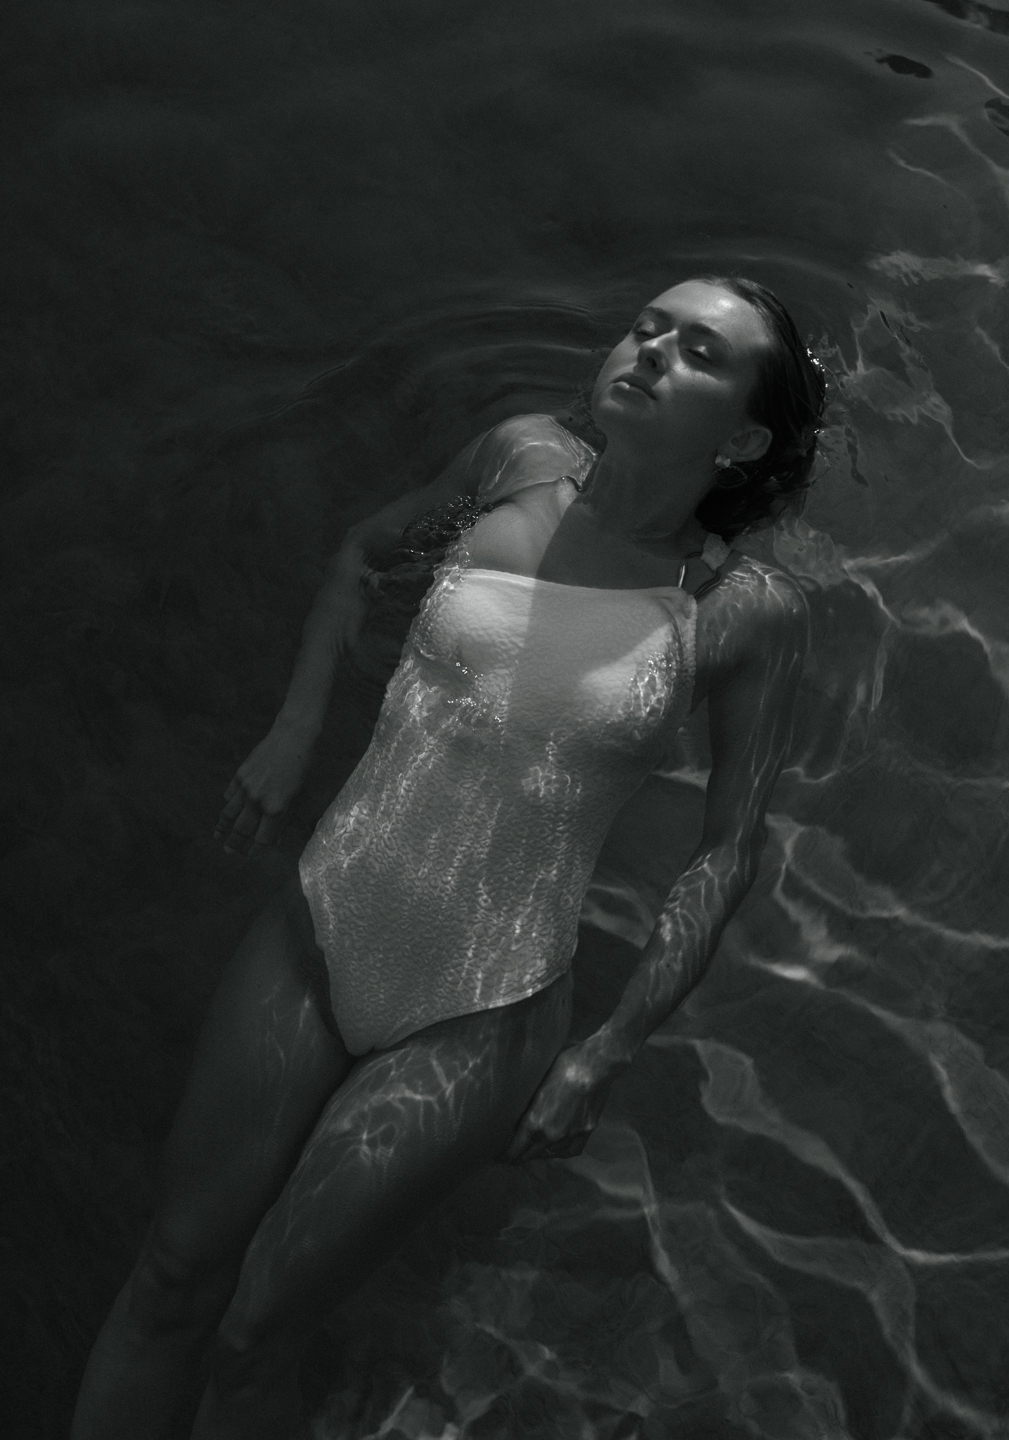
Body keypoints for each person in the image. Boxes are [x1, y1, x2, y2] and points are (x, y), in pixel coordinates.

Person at [71, 275, 826, 1439]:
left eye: (699, 352)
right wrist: (296, 721)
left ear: (745, 438)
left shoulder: (743, 612)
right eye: (647, 326)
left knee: (253, 1330)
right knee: (173, 1277)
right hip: (317, 932)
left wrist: (608, 1049)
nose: (651, 350)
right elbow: (363, 558)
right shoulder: (514, 462)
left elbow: (727, 856)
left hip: (484, 1005)